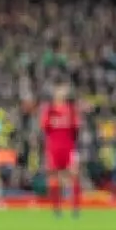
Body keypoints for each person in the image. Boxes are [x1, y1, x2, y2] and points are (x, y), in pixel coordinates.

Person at [38, 82, 80, 218]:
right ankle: (57, 208)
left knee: (73, 175)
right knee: (54, 177)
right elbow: (44, 128)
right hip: (54, 148)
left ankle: (75, 208)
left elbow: (76, 129)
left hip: (68, 147)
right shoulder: (49, 110)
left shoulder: (71, 110)